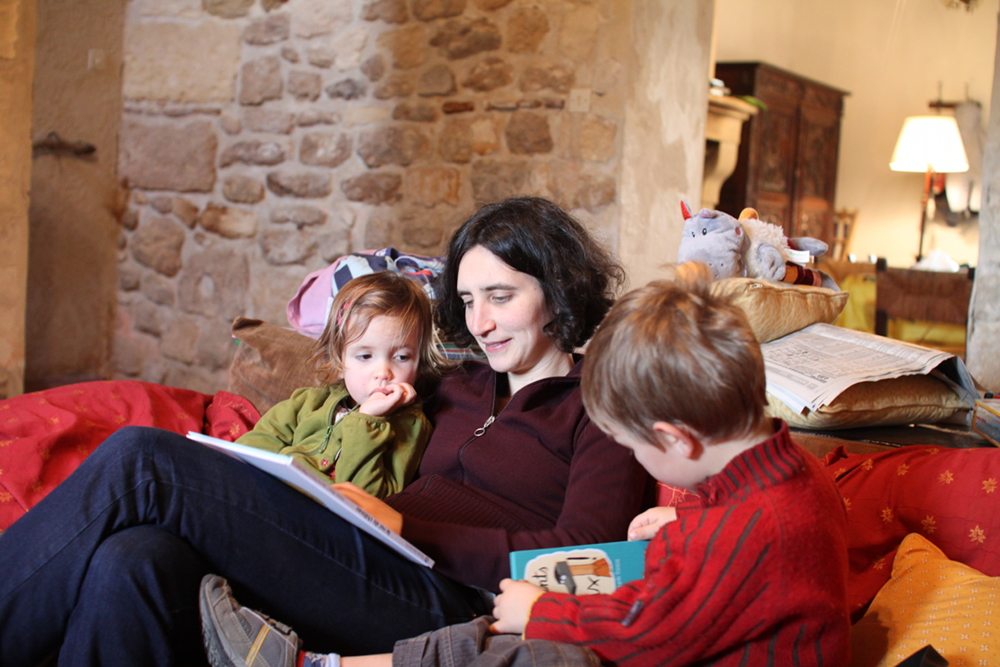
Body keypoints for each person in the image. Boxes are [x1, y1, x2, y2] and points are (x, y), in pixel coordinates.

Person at [0, 196, 649, 667]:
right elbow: (352, 366)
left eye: (500, 297)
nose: (480, 321)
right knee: (133, 558)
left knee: (145, 461)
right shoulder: (452, 384)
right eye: (468, 300)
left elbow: (587, 553)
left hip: (456, 599)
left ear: (558, 289)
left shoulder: (602, 404)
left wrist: (410, 527)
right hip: (359, 553)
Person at [201, 262, 851, 667]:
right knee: (506, 644)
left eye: (634, 445)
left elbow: (650, 631)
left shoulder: (755, 525)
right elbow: (732, 577)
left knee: (539, 653)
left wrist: (543, 611)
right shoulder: (780, 477)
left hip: (639, 640)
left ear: (676, 440)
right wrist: (685, 524)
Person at [238, 271, 449, 498]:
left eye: (402, 357)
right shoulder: (308, 401)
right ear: (338, 361)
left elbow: (366, 497)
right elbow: (252, 448)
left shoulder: (410, 425)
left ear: (419, 365)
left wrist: (368, 419)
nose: (383, 373)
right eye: (365, 356)